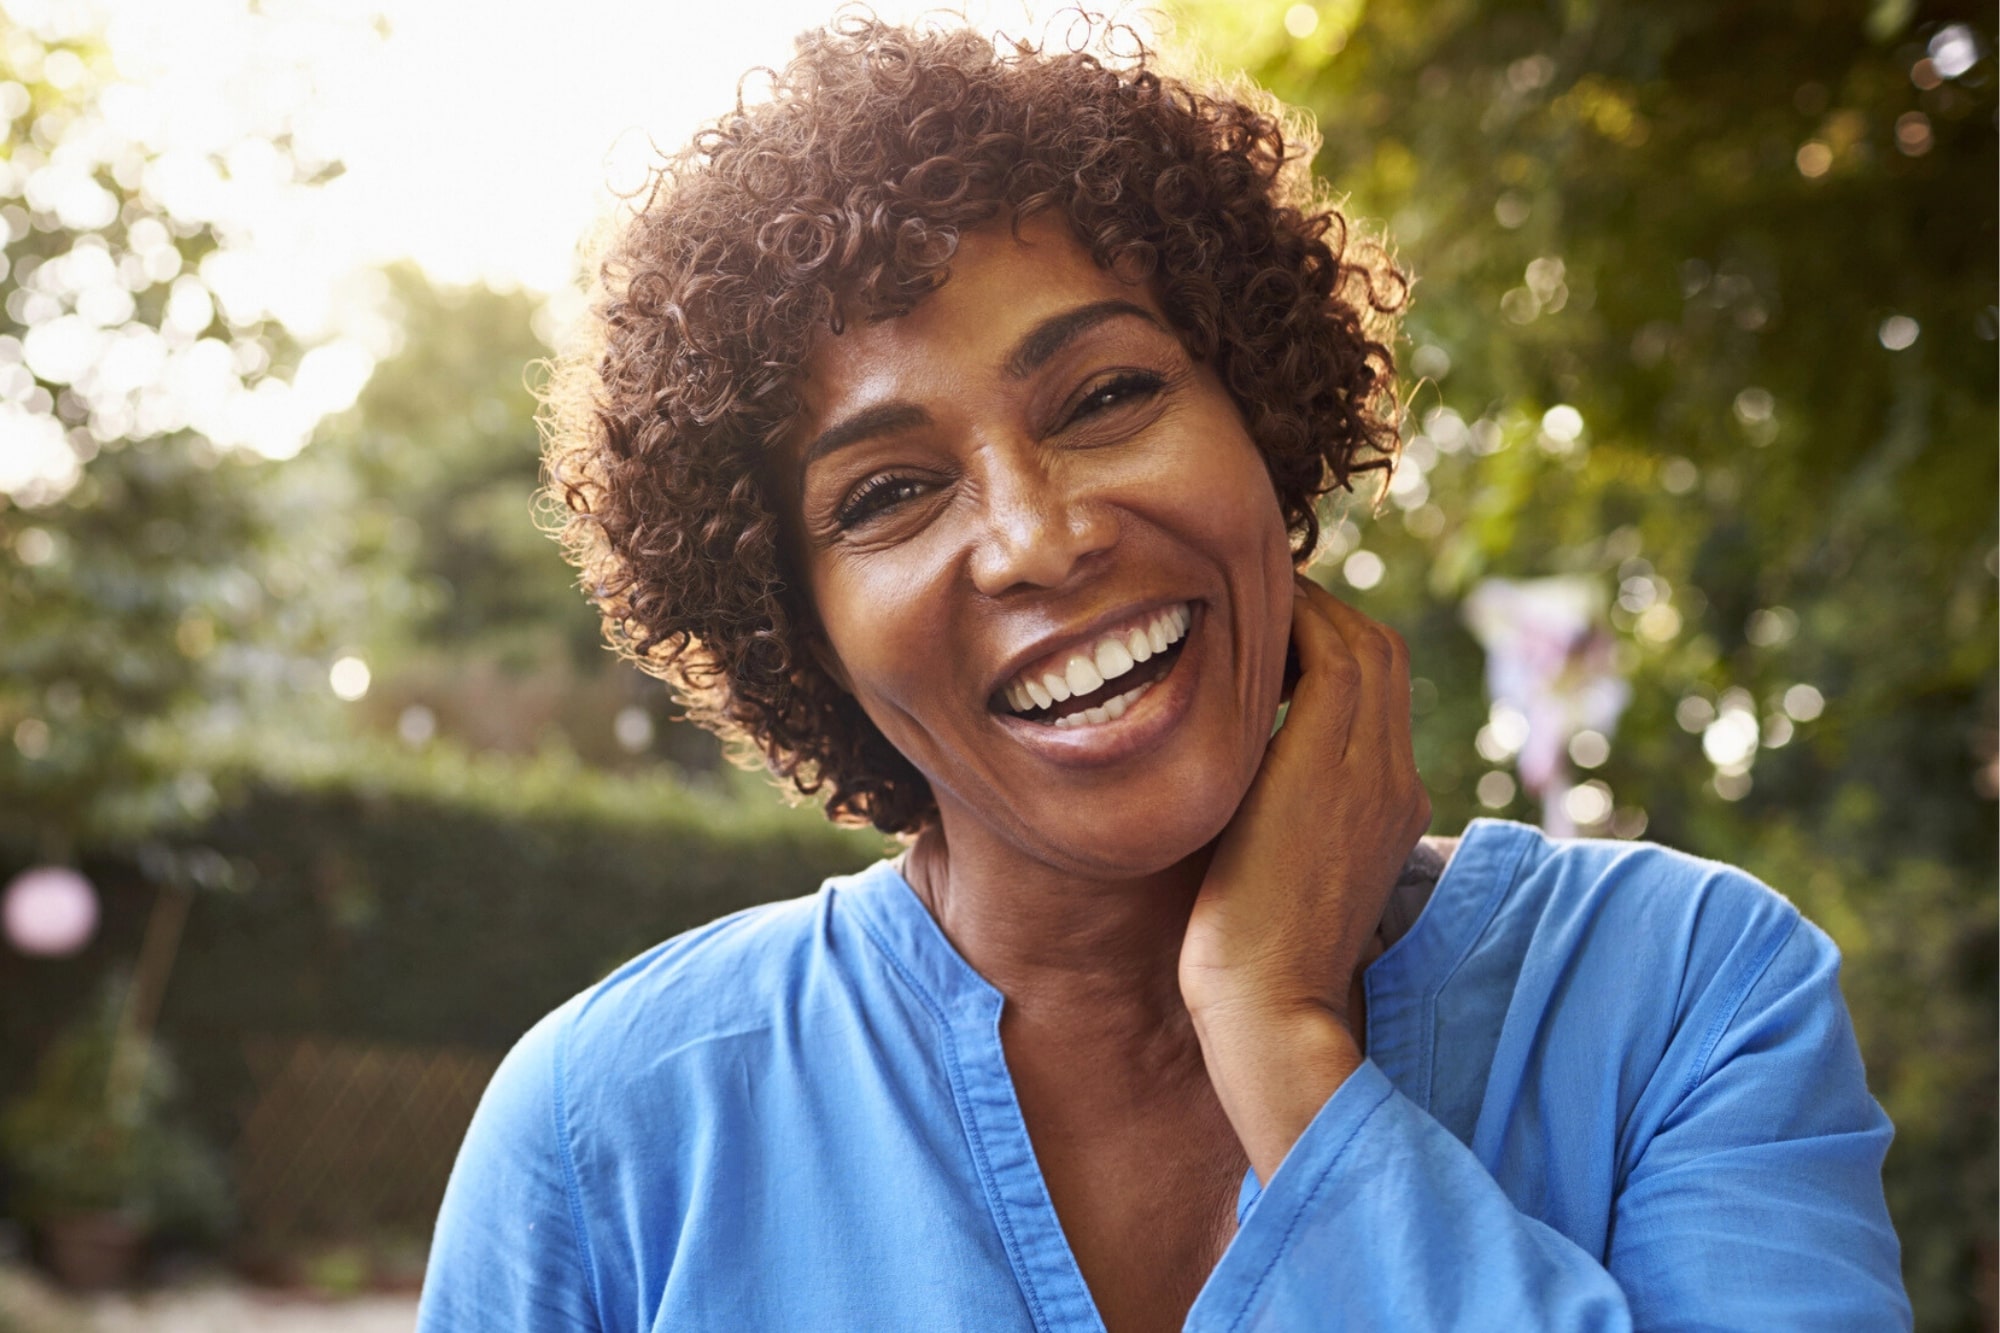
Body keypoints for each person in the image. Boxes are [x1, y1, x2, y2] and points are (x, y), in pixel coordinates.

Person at [417, 15, 1910, 1331]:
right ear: (796, 627)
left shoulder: (1684, 997)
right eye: (884, 494)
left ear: (1263, 418)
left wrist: (1278, 1035)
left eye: (1109, 394)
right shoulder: (609, 1133)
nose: (1037, 538)